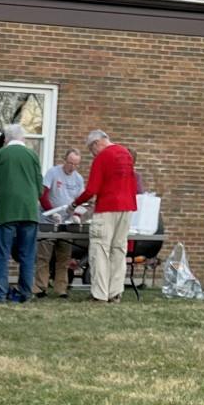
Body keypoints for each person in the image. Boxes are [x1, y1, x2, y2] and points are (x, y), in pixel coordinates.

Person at [0, 124, 44, 303]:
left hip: (6, 212)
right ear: (22, 138)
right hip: (30, 211)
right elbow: (40, 186)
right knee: (27, 255)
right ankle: (25, 293)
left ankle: (0, 294)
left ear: (6, 139)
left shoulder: (0, 155)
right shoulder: (32, 155)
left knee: (2, 253)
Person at [76, 128, 139, 305]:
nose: (92, 153)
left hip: (107, 208)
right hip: (127, 207)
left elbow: (91, 189)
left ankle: (99, 294)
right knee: (119, 250)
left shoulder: (102, 157)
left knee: (100, 250)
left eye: (91, 149)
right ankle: (115, 292)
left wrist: (75, 204)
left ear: (97, 143)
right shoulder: (126, 154)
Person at [38, 146, 85, 298]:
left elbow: (79, 201)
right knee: (44, 256)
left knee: (64, 257)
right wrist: (53, 213)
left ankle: (61, 289)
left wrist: (76, 215)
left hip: (66, 222)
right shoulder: (53, 173)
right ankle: (40, 287)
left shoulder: (78, 179)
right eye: (70, 163)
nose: (72, 167)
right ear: (65, 160)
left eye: (76, 164)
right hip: (49, 220)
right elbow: (43, 195)